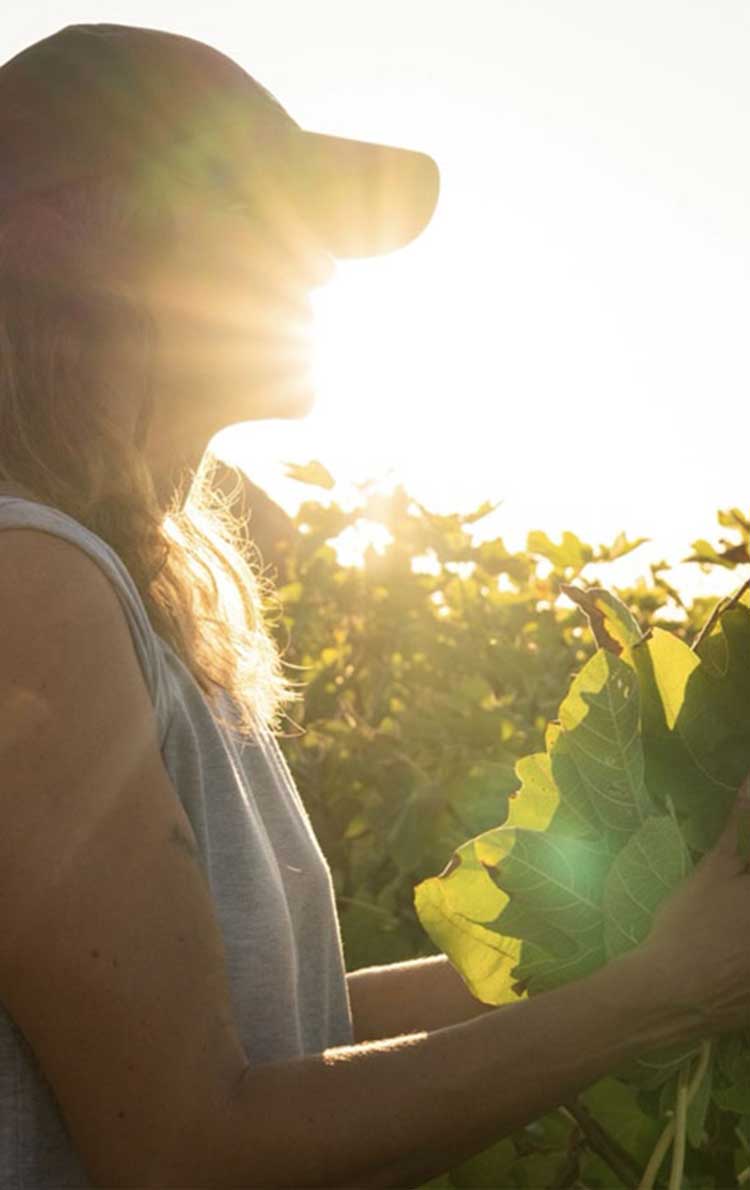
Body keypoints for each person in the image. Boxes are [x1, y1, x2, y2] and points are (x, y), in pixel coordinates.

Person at [0, 22, 749, 1190]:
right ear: (95, 247)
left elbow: (275, 1026)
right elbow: (184, 1144)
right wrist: (651, 1001)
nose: (322, 264)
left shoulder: (126, 586)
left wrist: (639, 943)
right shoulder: (27, 584)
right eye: (258, 208)